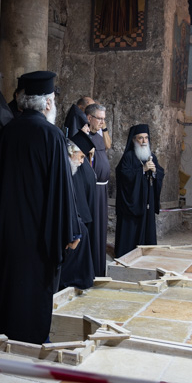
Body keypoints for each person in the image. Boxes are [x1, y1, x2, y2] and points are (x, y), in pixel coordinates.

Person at [0, 71, 81, 344]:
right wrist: (71, 231)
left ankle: (7, 341)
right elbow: (62, 190)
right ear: (48, 103)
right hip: (39, 235)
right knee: (34, 293)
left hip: (8, 233)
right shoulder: (51, 136)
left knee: (10, 289)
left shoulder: (6, 133)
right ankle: (32, 343)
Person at [114, 124, 165, 258]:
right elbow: (123, 176)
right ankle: (127, 255)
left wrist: (155, 172)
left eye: (146, 138)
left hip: (146, 203)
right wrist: (142, 170)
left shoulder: (151, 156)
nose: (143, 142)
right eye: (140, 138)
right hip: (132, 206)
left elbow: (160, 172)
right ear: (133, 140)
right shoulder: (128, 157)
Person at [59, 131, 97, 290]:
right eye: (81, 157)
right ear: (72, 152)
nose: (82, 162)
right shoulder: (63, 167)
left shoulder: (73, 167)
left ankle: (79, 279)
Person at [85, 103, 110, 275]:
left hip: (103, 189)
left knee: (101, 228)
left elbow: (107, 146)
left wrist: (104, 128)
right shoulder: (82, 135)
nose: (102, 122)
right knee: (93, 229)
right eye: (99, 118)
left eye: (103, 118)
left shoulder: (100, 135)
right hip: (92, 190)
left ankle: (100, 267)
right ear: (89, 118)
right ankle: (90, 267)